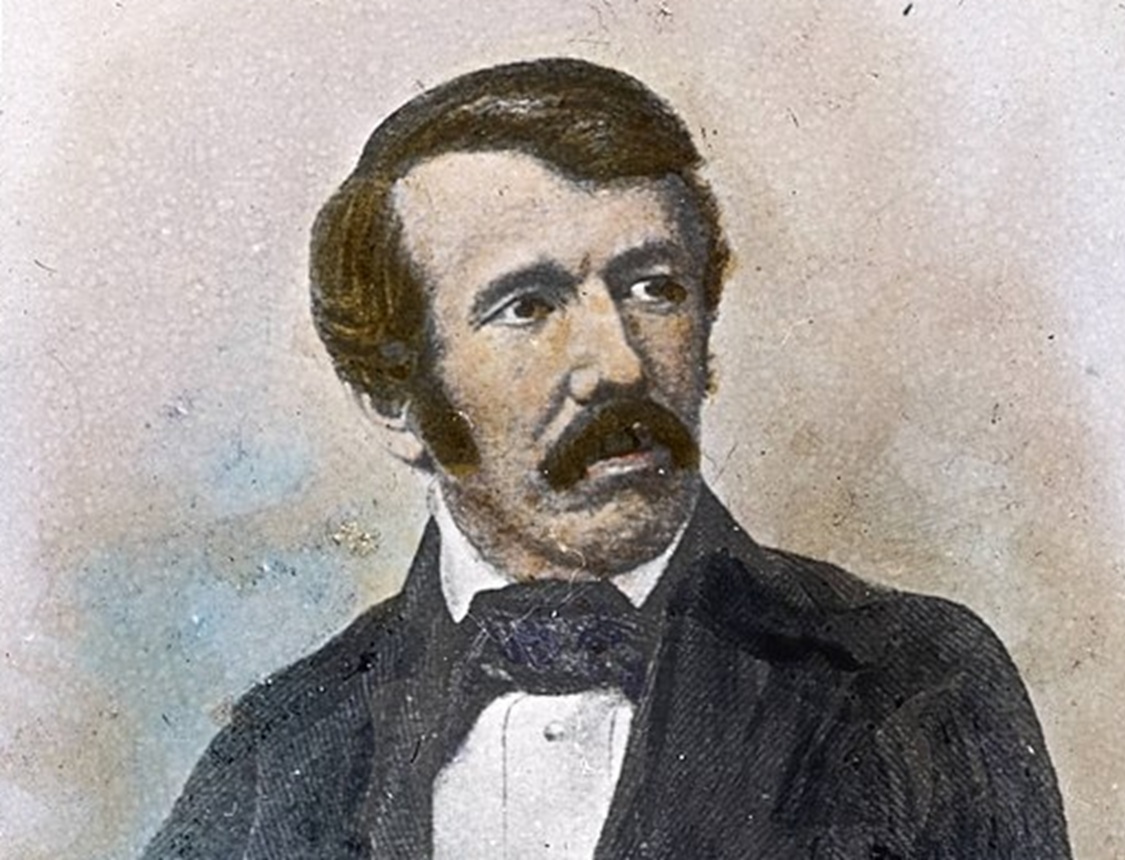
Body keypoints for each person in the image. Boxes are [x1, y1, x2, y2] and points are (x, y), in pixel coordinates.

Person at [144, 58, 1070, 859]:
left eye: (654, 288)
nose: (620, 365)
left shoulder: (912, 686)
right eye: (528, 307)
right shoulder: (279, 750)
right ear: (395, 401)